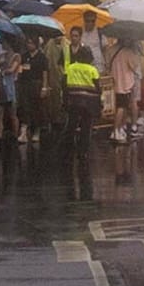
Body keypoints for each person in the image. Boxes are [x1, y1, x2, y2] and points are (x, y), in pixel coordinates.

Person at [63, 47, 102, 201]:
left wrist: (64, 101)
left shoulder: (70, 68)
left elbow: (64, 84)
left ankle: (68, 150)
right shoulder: (93, 70)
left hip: (73, 101)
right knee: (86, 128)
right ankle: (82, 152)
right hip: (88, 104)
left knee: (71, 126)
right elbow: (98, 87)